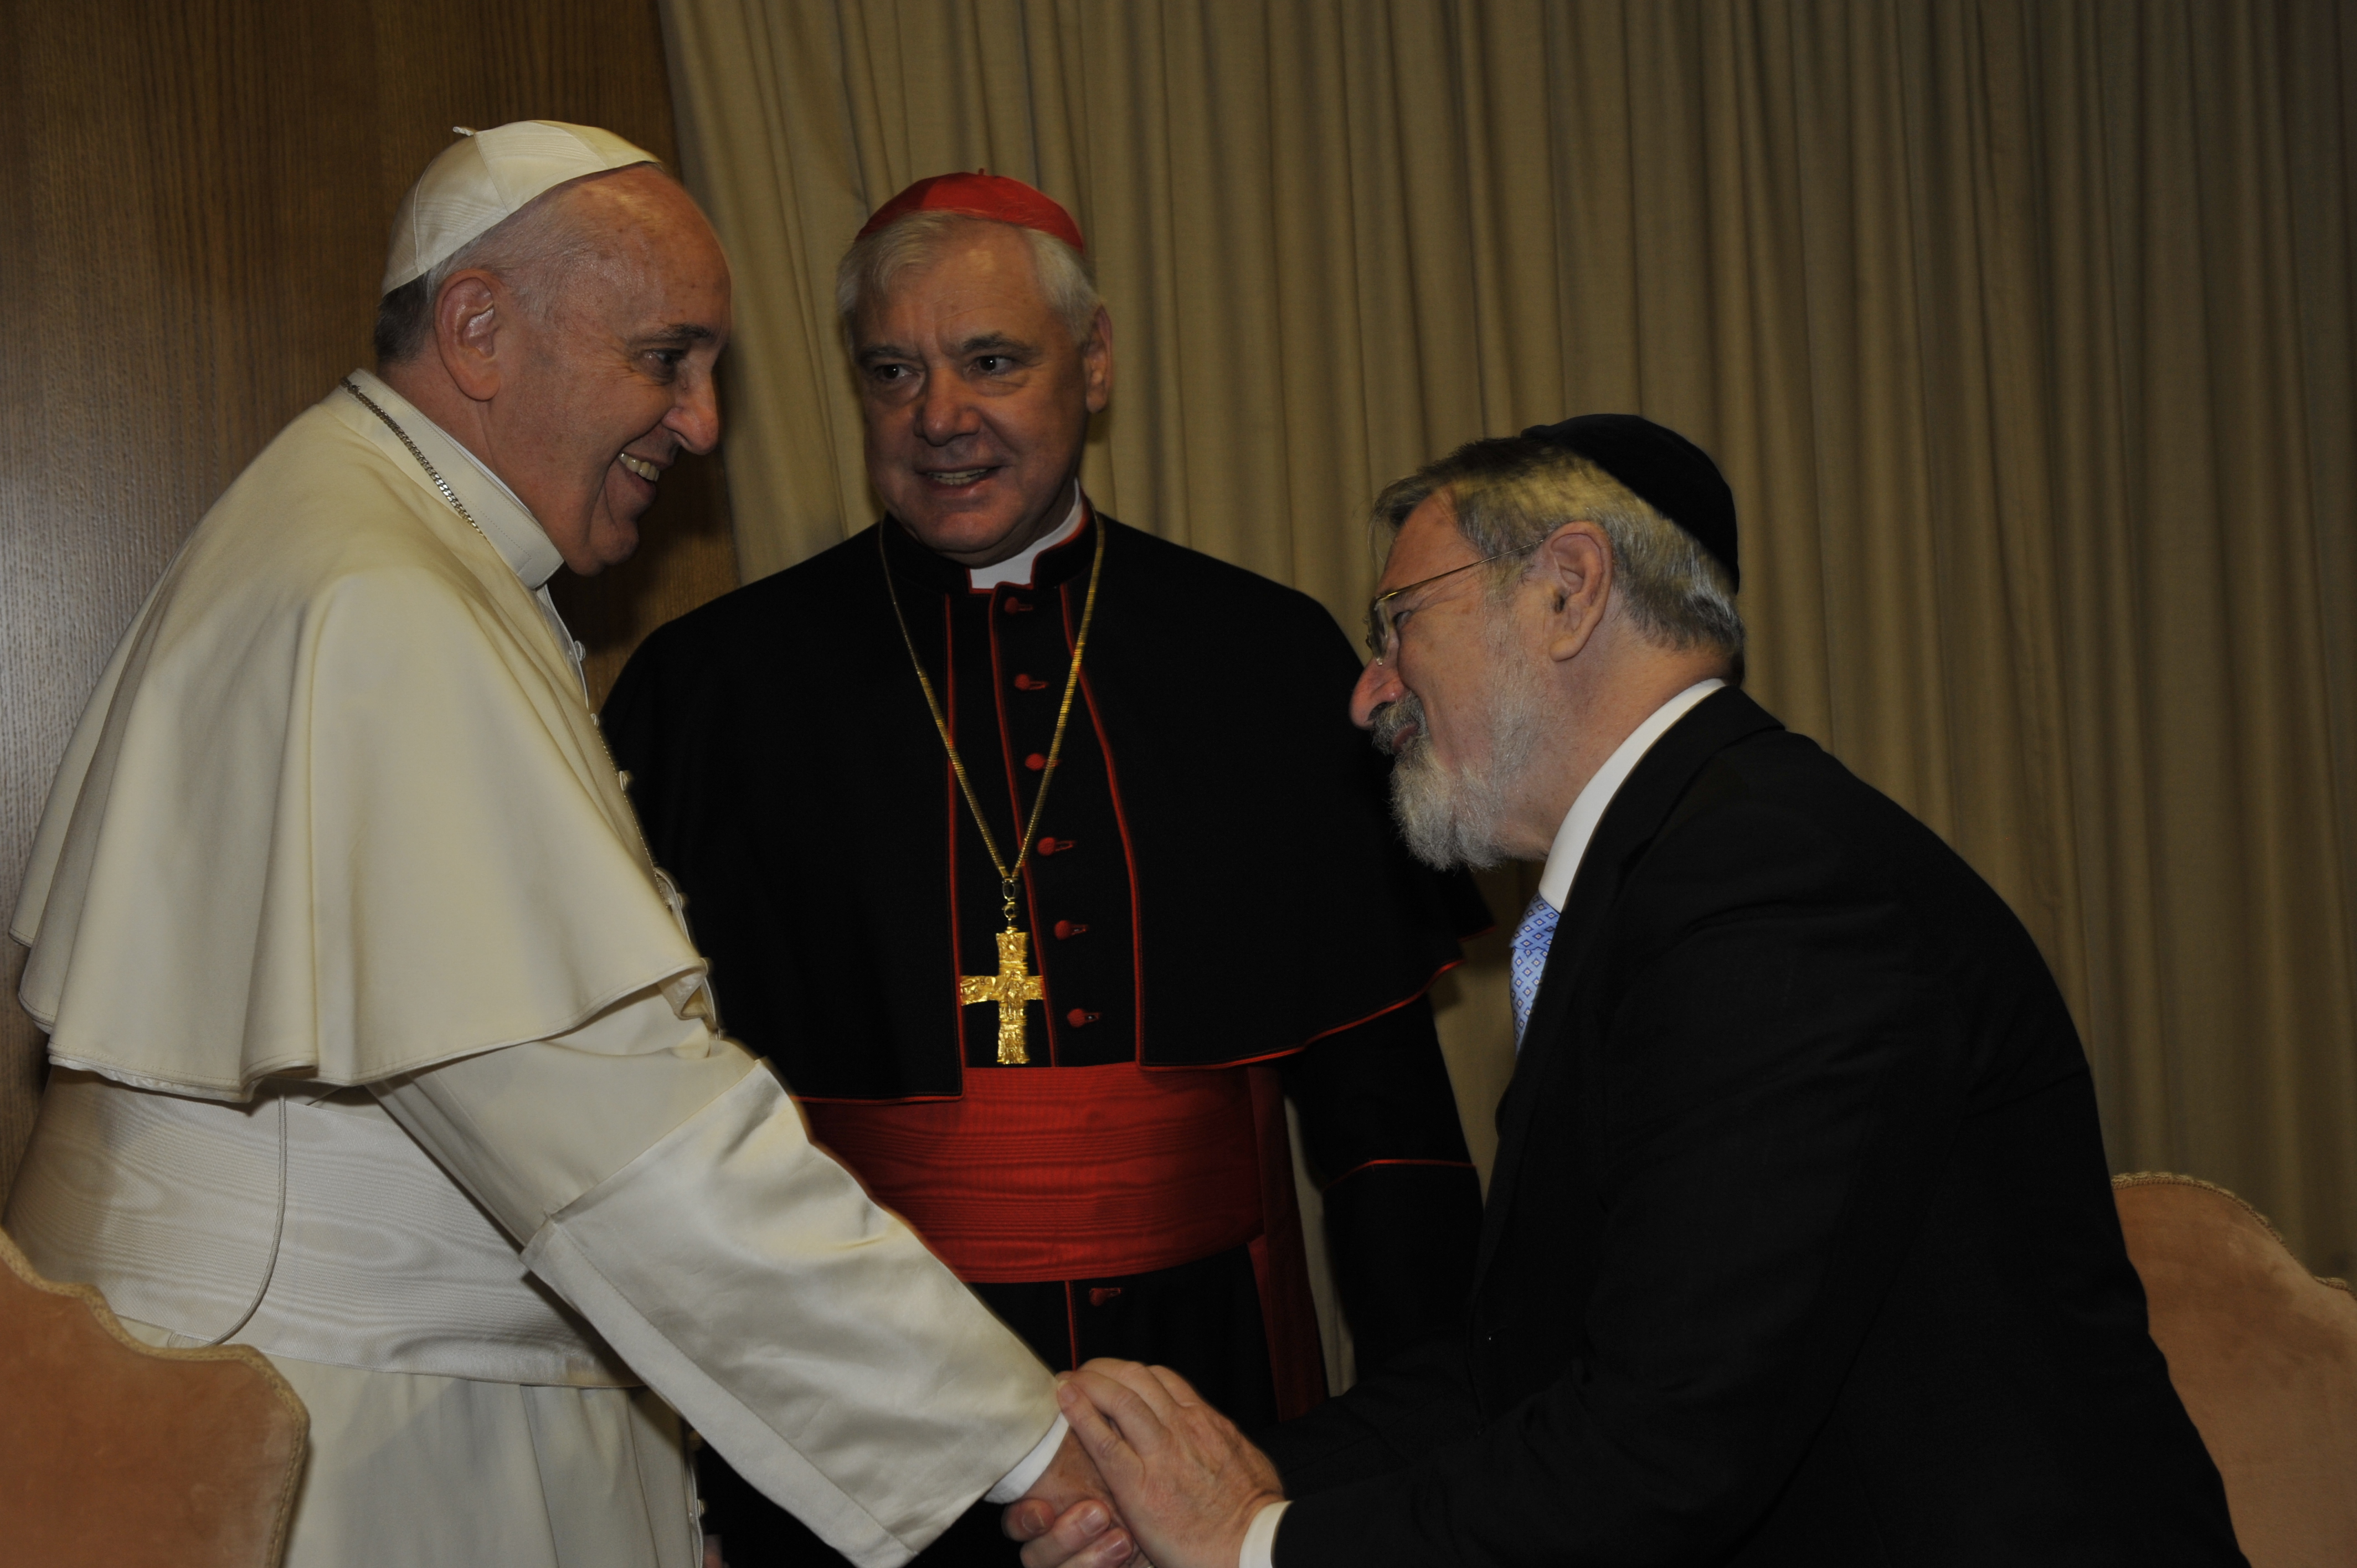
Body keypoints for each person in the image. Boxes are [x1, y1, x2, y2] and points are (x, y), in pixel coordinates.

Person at [3, 122, 1109, 1568]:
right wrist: (1014, 1441)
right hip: (335, 1444)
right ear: (477, 329)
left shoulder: (356, 527)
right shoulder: (386, 598)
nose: (703, 423)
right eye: (666, 358)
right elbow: (626, 1142)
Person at [1013, 417, 2249, 1567]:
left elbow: (1664, 1448)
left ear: (1568, 589)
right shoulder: (1672, 875)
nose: (1369, 689)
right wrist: (1220, 1479)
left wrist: (1253, 1545)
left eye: (1398, 622)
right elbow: (1519, 1369)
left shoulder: (1775, 893)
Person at [603, 173, 1488, 1566]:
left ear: (1095, 363)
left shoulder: (1261, 657)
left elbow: (1387, 1137)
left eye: (993, 362)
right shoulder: (716, 687)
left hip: (1210, 1397)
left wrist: (1418, 1466)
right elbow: (640, 1141)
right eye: (893, 371)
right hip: (852, 1416)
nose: (939, 417)